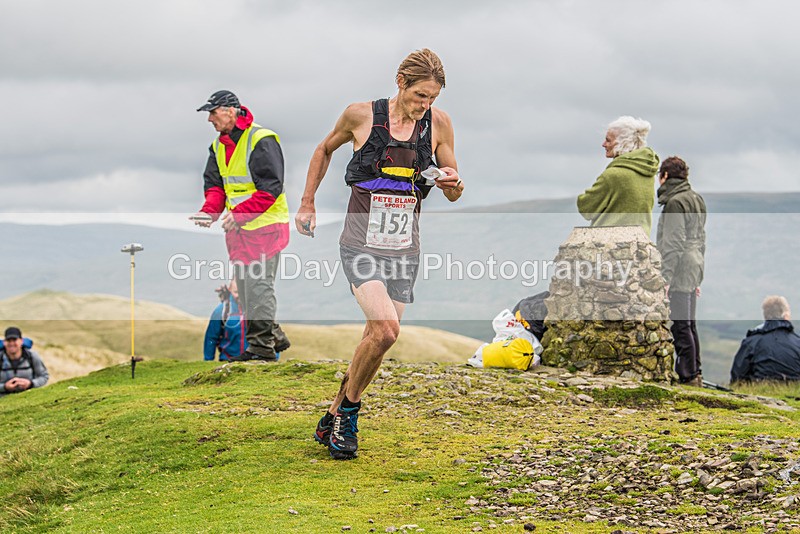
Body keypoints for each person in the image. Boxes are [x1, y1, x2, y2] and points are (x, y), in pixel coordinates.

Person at [295, 49, 463, 460]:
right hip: (360, 242)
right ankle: (349, 415)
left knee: (376, 339)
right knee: (386, 329)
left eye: (433, 98)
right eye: (421, 95)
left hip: (405, 247)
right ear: (401, 81)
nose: (426, 106)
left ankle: (333, 412)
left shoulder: (438, 124)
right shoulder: (361, 115)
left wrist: (452, 183)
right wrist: (307, 202)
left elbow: (455, 188)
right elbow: (323, 150)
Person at [192, 90, 291, 362]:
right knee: (246, 290)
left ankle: (261, 349)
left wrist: (240, 214)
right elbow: (215, 186)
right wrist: (208, 212)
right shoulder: (218, 147)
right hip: (238, 231)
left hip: (266, 227)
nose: (210, 119)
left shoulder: (261, 139)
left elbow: (271, 187)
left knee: (259, 286)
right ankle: (274, 335)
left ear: (230, 111)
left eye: (213, 113)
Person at [655, 156, 707, 387]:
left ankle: (687, 375)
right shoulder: (697, 199)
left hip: (679, 267)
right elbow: (701, 239)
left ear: (664, 176)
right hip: (693, 264)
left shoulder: (676, 202)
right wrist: (698, 275)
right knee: (689, 323)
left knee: (680, 324)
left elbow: (673, 243)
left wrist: (665, 277)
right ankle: (695, 371)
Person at [577, 116, 660, 235]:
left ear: (622, 143)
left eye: (608, 140)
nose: (603, 144)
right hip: (640, 241)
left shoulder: (612, 175)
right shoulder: (648, 173)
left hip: (611, 243)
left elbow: (586, 209)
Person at [730, 296, 800, 383]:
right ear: (786, 316)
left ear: (765, 316)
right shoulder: (797, 343)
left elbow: (737, 378)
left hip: (756, 391)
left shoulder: (751, 342)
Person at [203, 279, 249, 362]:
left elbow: (270, 334)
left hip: (254, 362)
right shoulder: (221, 311)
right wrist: (208, 361)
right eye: (236, 292)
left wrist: (274, 358)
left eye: (242, 292)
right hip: (228, 360)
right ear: (229, 289)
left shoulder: (257, 310)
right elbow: (211, 338)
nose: (239, 296)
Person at [1, 327, 49, 397]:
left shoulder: (32, 356)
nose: (11, 343)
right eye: (8, 340)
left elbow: (44, 376)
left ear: (21, 341)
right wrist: (5, 387)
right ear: (4, 342)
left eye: (14, 340)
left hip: (30, 397)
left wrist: (30, 384)